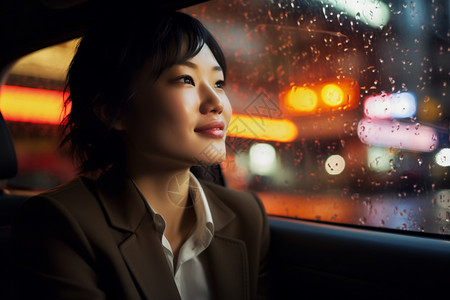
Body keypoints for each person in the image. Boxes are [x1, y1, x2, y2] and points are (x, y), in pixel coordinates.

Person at [12, 8, 270, 300]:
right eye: (186, 79)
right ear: (115, 111)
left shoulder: (246, 216)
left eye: (219, 83)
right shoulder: (61, 223)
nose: (216, 102)